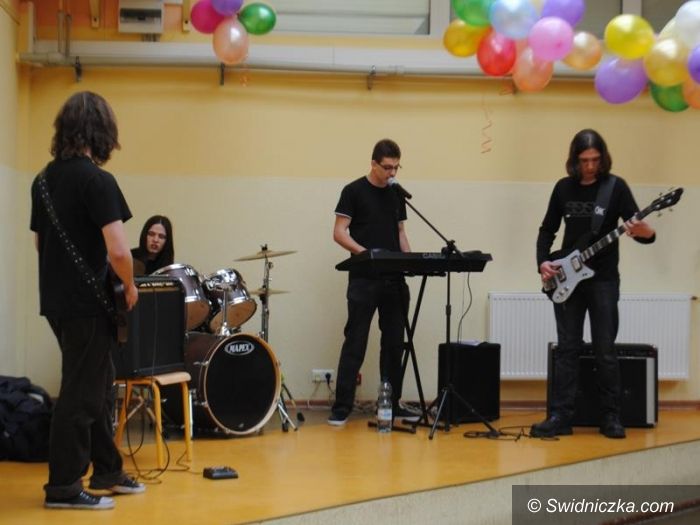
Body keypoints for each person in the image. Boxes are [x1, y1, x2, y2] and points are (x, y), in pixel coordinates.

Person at [30, 91, 145, 510]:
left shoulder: (42, 181)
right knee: (81, 395)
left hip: (57, 302)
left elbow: (40, 244)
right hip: (90, 303)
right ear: (102, 132)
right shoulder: (98, 181)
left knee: (97, 385)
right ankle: (63, 487)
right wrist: (129, 286)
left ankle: (108, 469)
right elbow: (119, 251)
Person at [531, 129, 656, 440]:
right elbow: (547, 229)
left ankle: (611, 417)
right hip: (567, 279)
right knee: (567, 349)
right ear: (574, 160)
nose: (590, 166)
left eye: (595, 160)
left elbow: (641, 232)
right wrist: (543, 262)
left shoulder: (615, 187)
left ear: (603, 158)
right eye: (584, 160)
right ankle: (560, 416)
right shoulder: (563, 188)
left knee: (605, 350)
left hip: (603, 280)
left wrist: (646, 232)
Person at [328, 138, 418, 426]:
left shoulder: (396, 194)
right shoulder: (353, 191)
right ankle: (342, 407)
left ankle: (390, 404)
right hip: (364, 279)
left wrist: (409, 261)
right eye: (387, 167)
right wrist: (366, 254)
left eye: (396, 168)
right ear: (373, 164)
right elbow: (339, 232)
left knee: (394, 343)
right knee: (355, 341)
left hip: (394, 280)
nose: (392, 173)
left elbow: (400, 233)